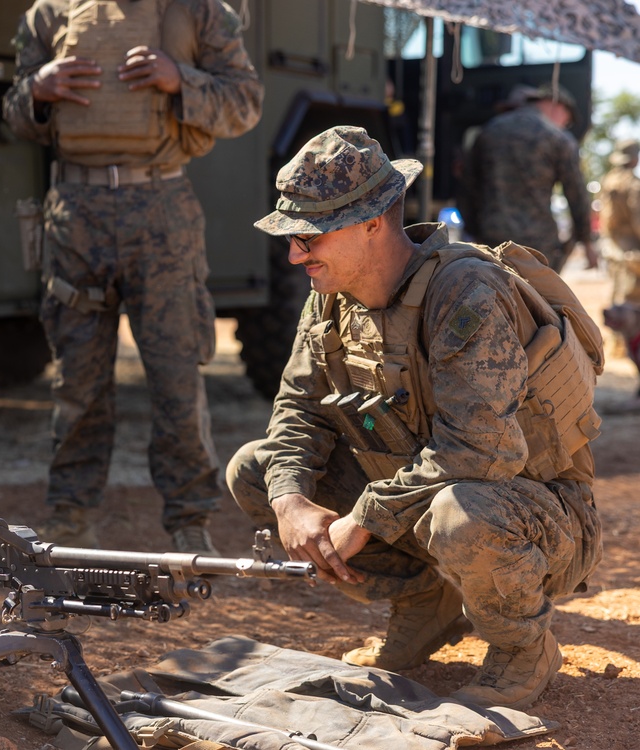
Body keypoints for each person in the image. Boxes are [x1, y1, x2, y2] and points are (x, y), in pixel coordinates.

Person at [226, 126, 603, 709]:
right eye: (292, 237)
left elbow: (482, 450)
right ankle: (426, 603)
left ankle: (523, 648)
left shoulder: (466, 292)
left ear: (372, 223)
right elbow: (299, 408)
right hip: (424, 500)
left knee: (461, 513)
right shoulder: (329, 296)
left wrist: (366, 518)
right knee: (257, 470)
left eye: (310, 236)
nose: (295, 254)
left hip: (534, 516)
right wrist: (289, 499)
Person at [1, 0, 264, 553]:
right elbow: (13, 114)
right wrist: (38, 92)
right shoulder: (49, 13)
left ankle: (190, 523)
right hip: (76, 212)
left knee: (176, 378)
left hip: (161, 207)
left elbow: (246, 102)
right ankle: (71, 517)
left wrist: (181, 79)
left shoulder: (199, 11)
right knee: (77, 380)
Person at [462, 83, 598, 273]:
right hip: (538, 247)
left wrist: (473, 232)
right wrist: (587, 242)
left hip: (491, 240)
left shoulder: (488, 131)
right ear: (558, 106)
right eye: (567, 120)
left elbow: (468, 187)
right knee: (535, 293)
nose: (564, 125)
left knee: (492, 291)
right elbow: (577, 195)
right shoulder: (558, 138)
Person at [598, 138, 640, 307]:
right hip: (632, 250)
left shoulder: (608, 181)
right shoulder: (633, 185)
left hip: (612, 246)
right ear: (634, 159)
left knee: (618, 296)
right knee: (632, 301)